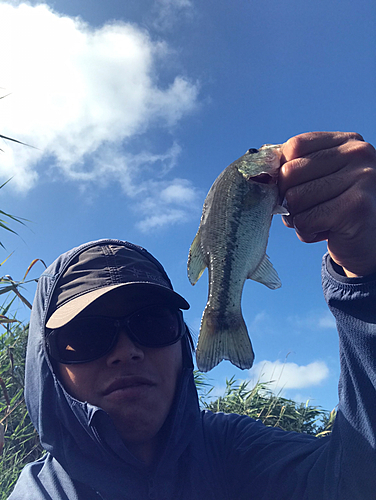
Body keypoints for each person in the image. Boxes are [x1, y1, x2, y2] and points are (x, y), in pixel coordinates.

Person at [8, 131, 376, 499]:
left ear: (182, 342)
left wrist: (366, 276)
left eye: (152, 324)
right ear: (48, 364)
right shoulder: (41, 492)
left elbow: (355, 484)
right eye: (87, 335)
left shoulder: (235, 449)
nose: (127, 351)